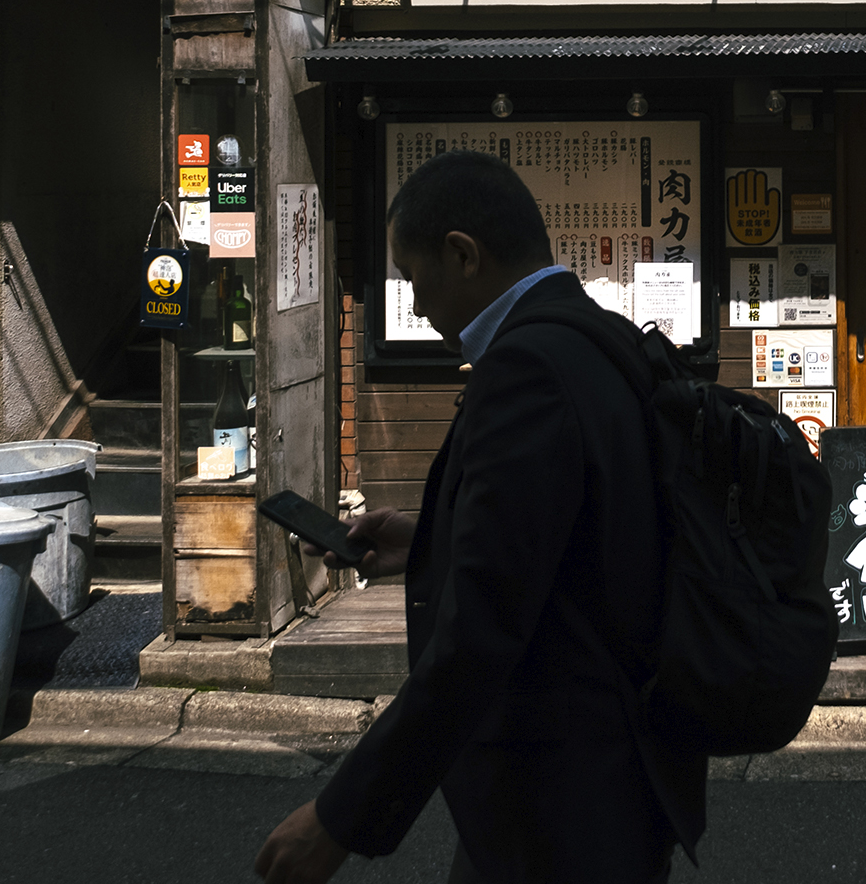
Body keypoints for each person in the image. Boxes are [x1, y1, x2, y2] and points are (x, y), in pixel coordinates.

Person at [255, 151, 701, 884]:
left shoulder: (526, 371)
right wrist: (429, 538)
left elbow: (479, 632)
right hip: (620, 770)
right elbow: (572, 541)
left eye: (411, 276)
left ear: (462, 254)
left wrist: (341, 817)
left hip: (559, 796)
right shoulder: (602, 337)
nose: (415, 301)